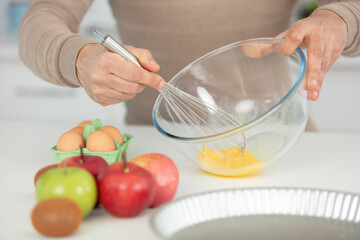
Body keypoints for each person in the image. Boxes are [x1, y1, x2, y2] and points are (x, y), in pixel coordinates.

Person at [18, 0, 360, 130]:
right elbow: (39, 22)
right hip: (158, 146)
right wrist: (78, 58)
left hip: (281, 137)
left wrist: (337, 18)